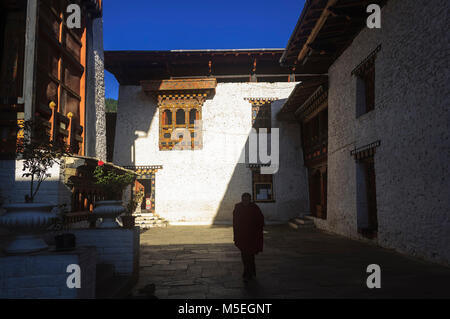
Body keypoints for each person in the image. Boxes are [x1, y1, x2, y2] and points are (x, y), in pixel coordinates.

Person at [233, 192, 265, 282]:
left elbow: (260, 220)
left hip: (252, 236)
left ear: (250, 200)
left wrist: (257, 229)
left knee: (250, 255)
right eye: (244, 200)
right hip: (242, 235)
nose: (245, 202)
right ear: (242, 199)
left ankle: (248, 272)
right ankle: (249, 271)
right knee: (244, 254)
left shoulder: (254, 208)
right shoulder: (238, 207)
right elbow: (235, 222)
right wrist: (236, 234)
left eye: (247, 200)